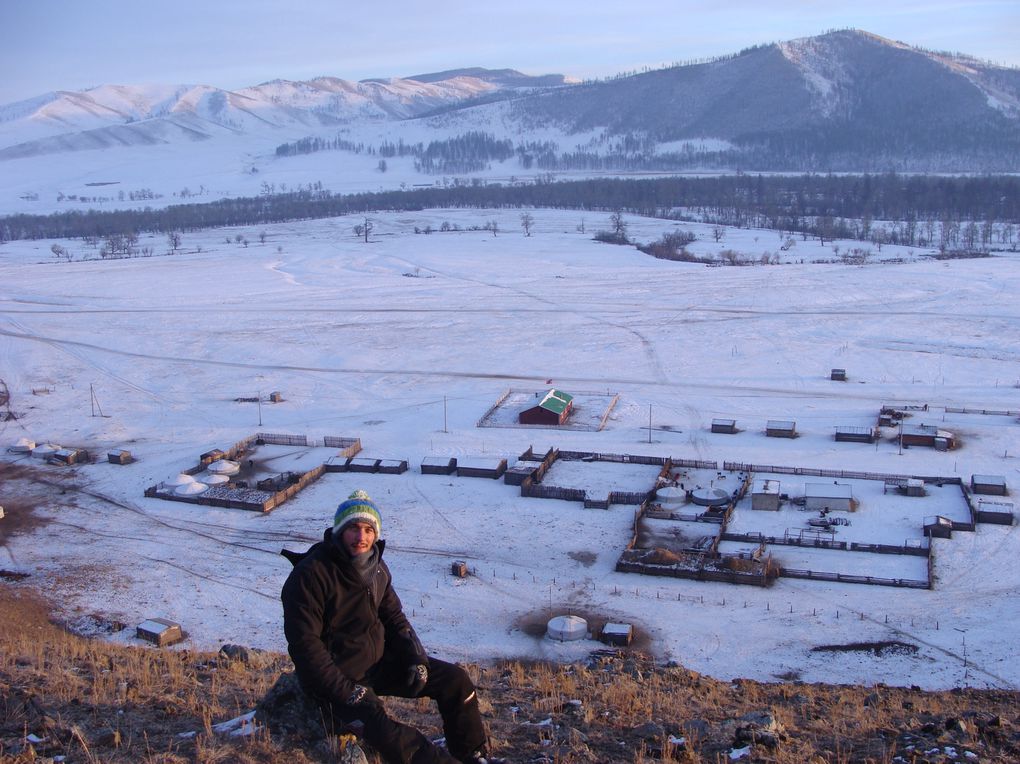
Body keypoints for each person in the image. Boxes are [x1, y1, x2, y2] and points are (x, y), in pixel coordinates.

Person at [281, 489, 504, 764]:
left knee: (455, 681)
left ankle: (473, 755)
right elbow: (306, 647)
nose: (361, 537)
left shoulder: (376, 567)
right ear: (339, 530)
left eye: (367, 529)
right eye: (353, 528)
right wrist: (346, 691)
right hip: (338, 680)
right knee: (388, 734)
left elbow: (394, 618)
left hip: (377, 665)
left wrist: (415, 659)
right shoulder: (311, 575)